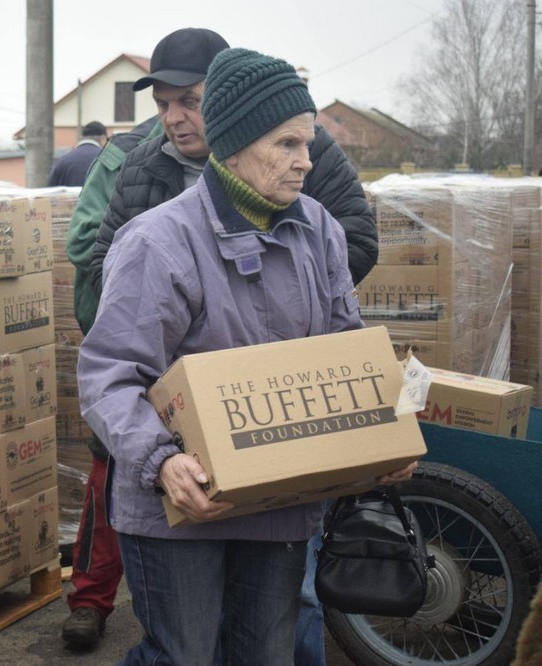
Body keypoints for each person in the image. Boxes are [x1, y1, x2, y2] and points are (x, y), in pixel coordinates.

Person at [76, 48, 416, 665]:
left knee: (267, 654)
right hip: (180, 506)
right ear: (234, 147)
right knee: (185, 656)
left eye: (307, 144)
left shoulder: (319, 231)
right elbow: (109, 377)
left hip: (279, 504)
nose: (305, 162)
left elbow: (346, 353)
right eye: (287, 144)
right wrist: (161, 462)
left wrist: (381, 440)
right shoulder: (159, 241)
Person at [47, 121, 109, 187]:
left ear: (82, 137)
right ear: (103, 138)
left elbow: (50, 191)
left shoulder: (62, 161)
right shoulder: (107, 160)